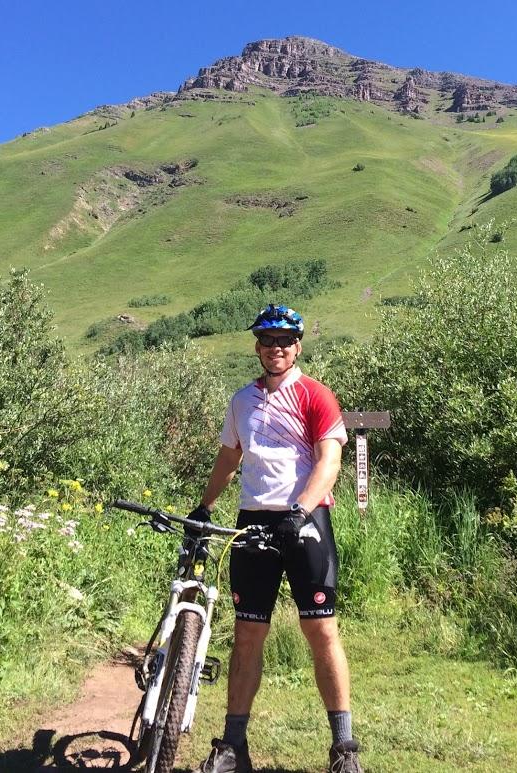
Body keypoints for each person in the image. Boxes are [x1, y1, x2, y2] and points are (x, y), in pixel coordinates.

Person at [188, 304, 363, 773]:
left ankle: (344, 749)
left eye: (285, 340)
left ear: (298, 345)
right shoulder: (241, 400)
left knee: (321, 630)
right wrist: (204, 507)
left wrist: (301, 509)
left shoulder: (315, 395)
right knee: (247, 632)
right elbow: (228, 459)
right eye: (267, 340)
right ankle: (233, 747)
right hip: (253, 522)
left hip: (305, 523)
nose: (276, 348)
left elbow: (330, 462)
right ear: (257, 347)